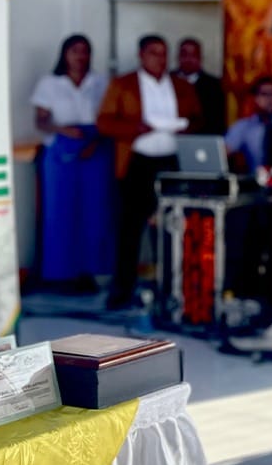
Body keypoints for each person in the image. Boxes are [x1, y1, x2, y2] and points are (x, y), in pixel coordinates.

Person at [98, 35, 202, 310]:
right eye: (154, 53)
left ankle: (171, 289)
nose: (160, 58)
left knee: (171, 227)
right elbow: (104, 122)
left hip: (171, 164)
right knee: (130, 229)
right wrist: (135, 128)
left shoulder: (180, 85)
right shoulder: (123, 84)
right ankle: (122, 291)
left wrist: (185, 127)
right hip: (137, 162)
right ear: (141, 55)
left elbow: (197, 118)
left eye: (164, 53)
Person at [29, 34, 113, 290]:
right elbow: (41, 121)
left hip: (95, 146)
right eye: (75, 51)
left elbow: (109, 116)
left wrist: (94, 140)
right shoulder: (50, 83)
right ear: (64, 54)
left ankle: (90, 272)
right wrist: (63, 130)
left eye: (85, 51)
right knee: (60, 212)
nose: (80, 56)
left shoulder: (100, 82)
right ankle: (61, 275)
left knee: (95, 212)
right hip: (61, 149)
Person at [224, 76, 272, 172]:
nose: (270, 98)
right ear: (254, 98)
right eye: (264, 94)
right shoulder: (244, 127)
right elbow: (222, 153)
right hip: (257, 179)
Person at [174, 37, 226, 134]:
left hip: (203, 137)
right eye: (184, 54)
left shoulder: (214, 85)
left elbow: (217, 120)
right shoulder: (168, 81)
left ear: (200, 58)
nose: (188, 59)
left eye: (193, 55)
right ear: (178, 57)